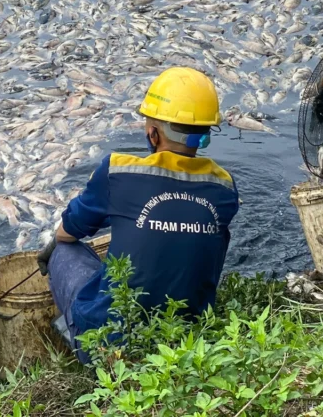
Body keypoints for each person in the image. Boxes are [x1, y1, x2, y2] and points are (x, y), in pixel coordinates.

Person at [36, 67, 239, 363]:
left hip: (112, 344)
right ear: (206, 134)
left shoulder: (118, 171)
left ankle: (82, 338)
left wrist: (52, 246)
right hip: (185, 341)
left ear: (153, 133)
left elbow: (71, 228)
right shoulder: (224, 187)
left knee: (63, 250)